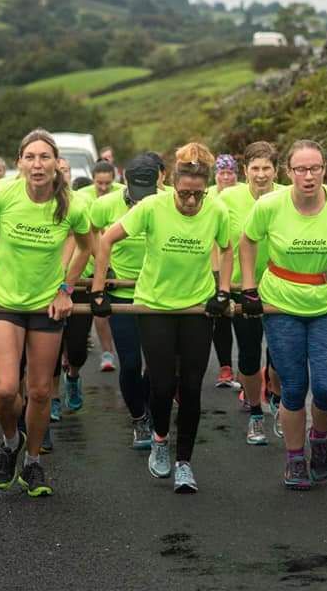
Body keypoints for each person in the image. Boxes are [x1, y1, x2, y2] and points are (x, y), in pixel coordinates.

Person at [92, 141, 232, 495]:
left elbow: (227, 248)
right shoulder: (152, 206)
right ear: (174, 182)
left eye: (197, 195)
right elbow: (106, 239)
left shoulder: (215, 211)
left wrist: (224, 291)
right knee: (162, 383)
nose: (190, 201)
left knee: (190, 387)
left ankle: (184, 462)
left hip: (196, 308)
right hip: (153, 305)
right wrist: (97, 290)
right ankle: (159, 438)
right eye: (185, 193)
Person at [238, 139, 327, 490]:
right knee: (295, 387)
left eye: (315, 168)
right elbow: (248, 240)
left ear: (325, 170)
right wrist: (249, 287)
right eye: (301, 169)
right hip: (281, 302)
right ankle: (295, 457)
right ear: (289, 172)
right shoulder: (270, 204)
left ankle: (319, 438)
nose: (308, 176)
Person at [0, 128, 92, 498]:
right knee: (6, 390)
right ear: (19, 162)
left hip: (45, 306)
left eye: (45, 157)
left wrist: (66, 289)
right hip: (4, 302)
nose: (37, 164)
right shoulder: (1, 194)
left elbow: (87, 246)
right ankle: (10, 442)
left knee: (39, 392)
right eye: (30, 157)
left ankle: (33, 462)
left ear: (56, 163)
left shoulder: (72, 205)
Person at [213, 141, 284, 444]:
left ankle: (279, 404)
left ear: (276, 170)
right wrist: (221, 285)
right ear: (244, 171)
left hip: (281, 287)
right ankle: (256, 413)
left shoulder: (287, 196)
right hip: (242, 288)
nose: (260, 174)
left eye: (266, 168)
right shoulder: (227, 198)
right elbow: (217, 240)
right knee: (250, 355)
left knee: (280, 356)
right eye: (254, 168)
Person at [90, 153, 160, 449]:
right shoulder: (106, 204)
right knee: (130, 364)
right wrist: (102, 269)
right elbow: (89, 233)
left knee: (158, 366)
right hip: (122, 294)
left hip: (159, 294)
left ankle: (152, 408)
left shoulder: (170, 200)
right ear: (124, 181)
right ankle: (139, 417)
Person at [75, 160, 122, 372]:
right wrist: (100, 261)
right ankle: (107, 353)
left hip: (119, 261)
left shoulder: (122, 193)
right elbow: (86, 232)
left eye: (107, 184)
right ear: (92, 179)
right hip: (92, 261)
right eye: (99, 183)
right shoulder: (83, 196)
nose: (103, 188)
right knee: (99, 308)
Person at [209, 153, 239, 387]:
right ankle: (225, 367)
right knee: (220, 318)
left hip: (239, 266)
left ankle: (250, 371)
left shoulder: (243, 194)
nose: (226, 177)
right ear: (216, 174)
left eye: (230, 172)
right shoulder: (207, 194)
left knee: (243, 318)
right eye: (222, 172)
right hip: (211, 265)